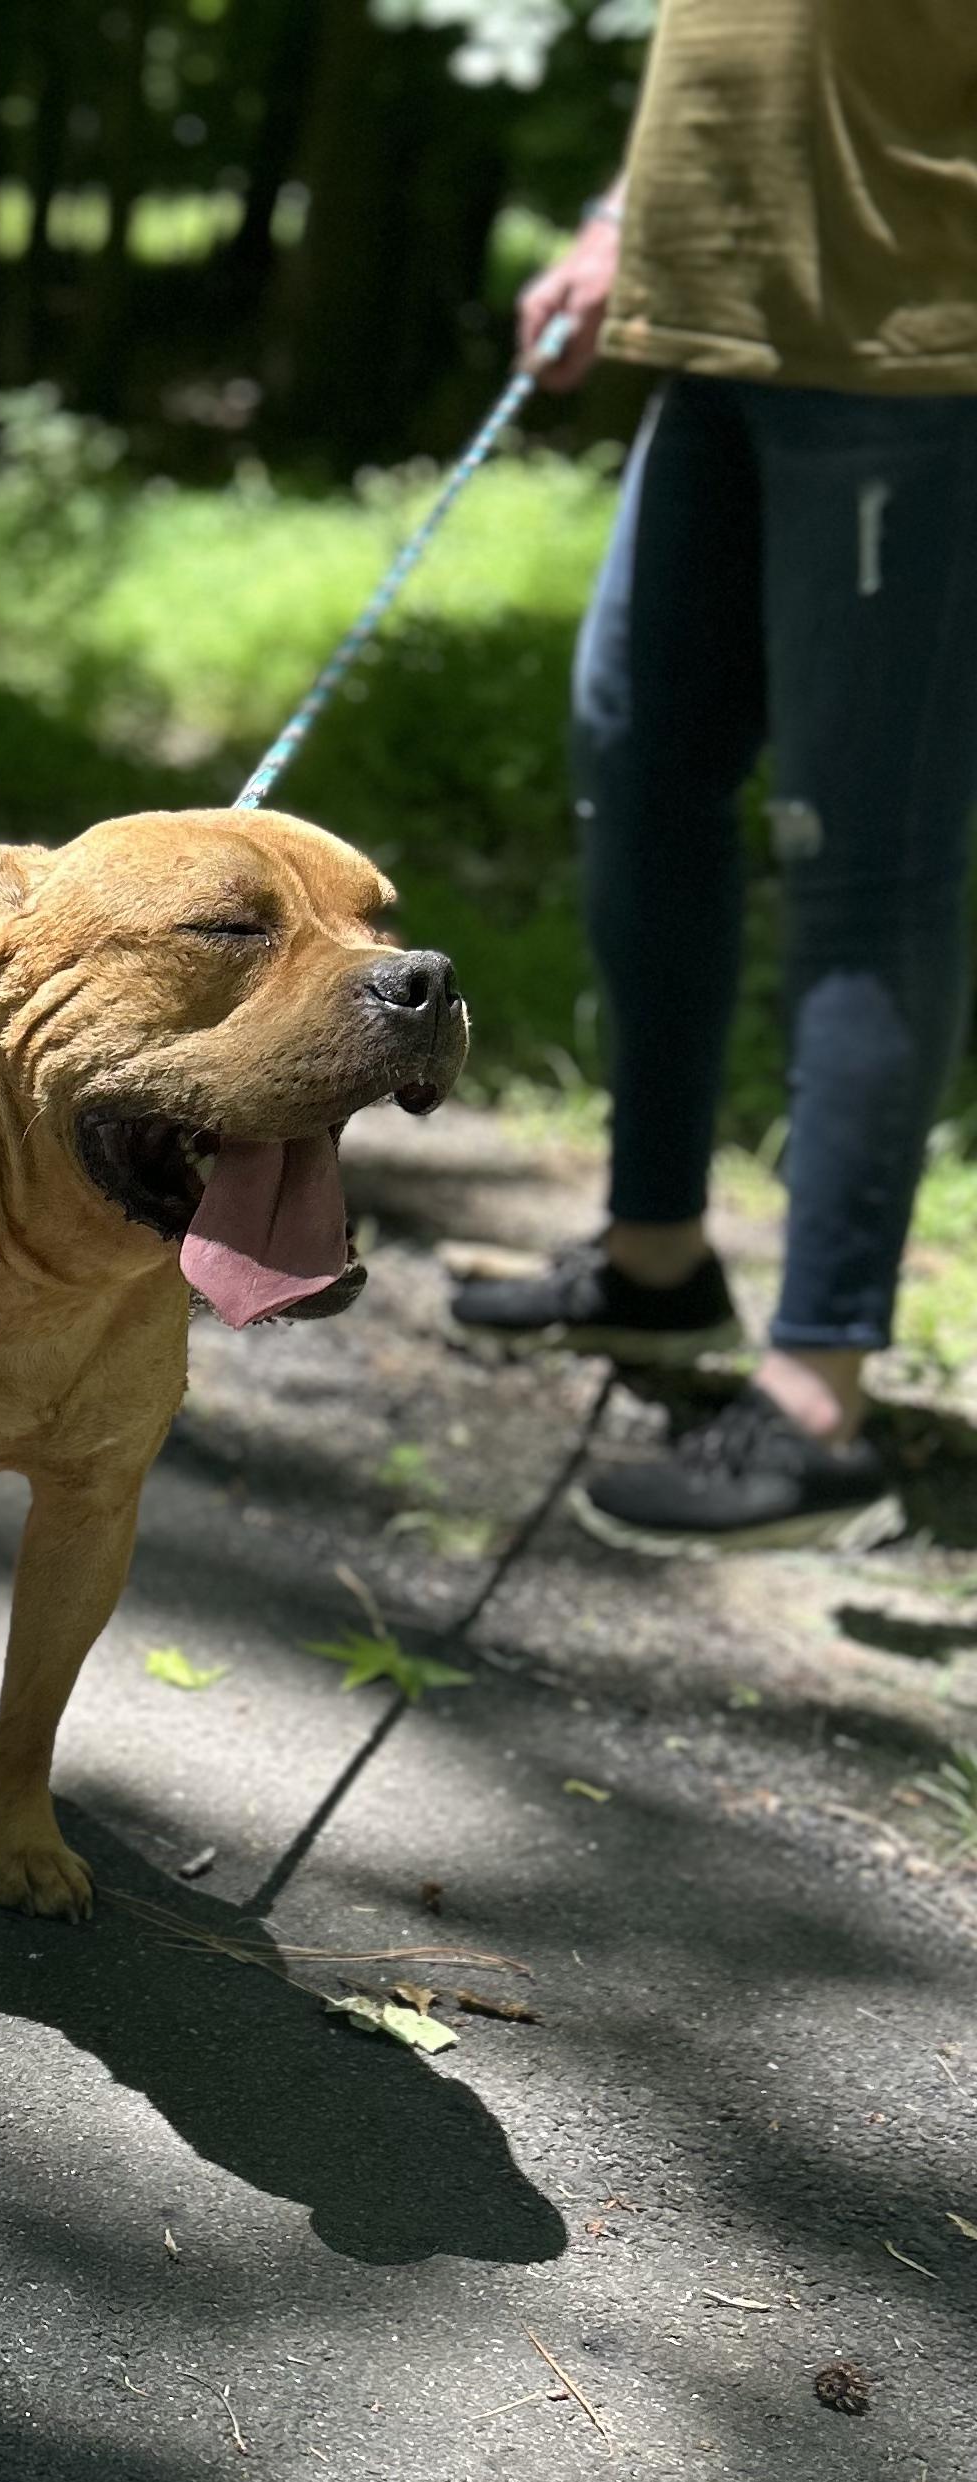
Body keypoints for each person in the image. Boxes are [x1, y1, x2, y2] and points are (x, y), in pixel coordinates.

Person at [449, 0, 977, 1554]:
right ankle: (658, 1255)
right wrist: (629, 215)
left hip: (909, 355)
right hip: (718, 328)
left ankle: (820, 1399)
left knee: (862, 858)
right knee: (637, 769)